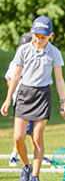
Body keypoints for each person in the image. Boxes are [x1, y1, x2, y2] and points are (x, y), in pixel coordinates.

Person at [1, 16, 65, 181]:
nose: (39, 40)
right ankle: (26, 166)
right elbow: (15, 76)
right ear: (32, 33)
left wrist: (64, 103)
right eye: (36, 35)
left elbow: (59, 80)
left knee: (37, 138)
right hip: (24, 94)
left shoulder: (54, 53)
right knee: (18, 138)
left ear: (50, 36)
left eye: (43, 37)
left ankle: (35, 177)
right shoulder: (23, 50)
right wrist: (8, 99)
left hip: (42, 95)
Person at [5, 33, 34, 167]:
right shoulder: (15, 63)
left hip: (32, 99)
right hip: (22, 101)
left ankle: (36, 154)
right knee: (24, 132)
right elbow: (9, 81)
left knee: (33, 131)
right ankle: (14, 155)